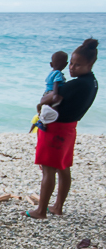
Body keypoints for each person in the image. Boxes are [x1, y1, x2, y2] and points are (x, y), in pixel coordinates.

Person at [28, 39, 99, 219]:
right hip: (70, 128)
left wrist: (45, 98)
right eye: (72, 64)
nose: (72, 68)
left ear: (90, 64)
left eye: (78, 65)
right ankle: (57, 206)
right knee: (63, 167)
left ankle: (41, 210)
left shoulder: (75, 85)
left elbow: (46, 100)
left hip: (56, 129)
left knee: (48, 169)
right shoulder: (92, 82)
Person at [34, 51, 69, 130]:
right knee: (54, 109)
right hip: (52, 93)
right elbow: (56, 83)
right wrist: (55, 95)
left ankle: (41, 120)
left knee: (46, 109)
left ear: (51, 64)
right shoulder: (58, 73)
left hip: (46, 93)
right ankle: (46, 122)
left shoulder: (50, 73)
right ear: (66, 64)